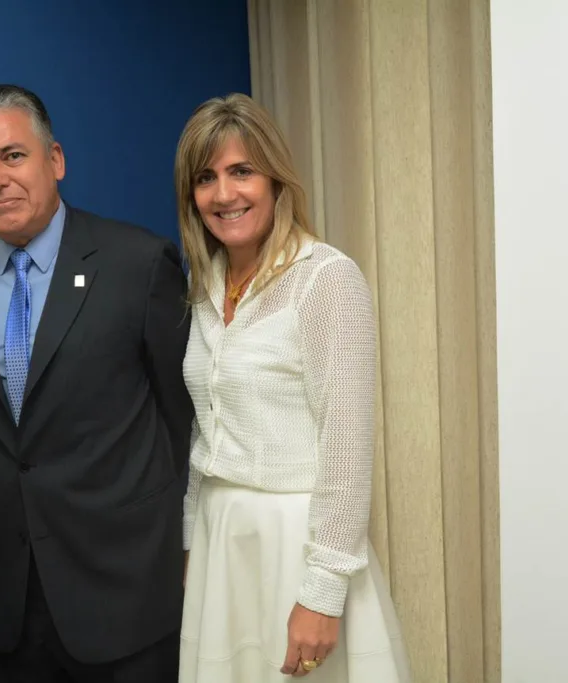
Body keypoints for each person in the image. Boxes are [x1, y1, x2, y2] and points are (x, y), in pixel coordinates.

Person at [0, 84, 193, 683]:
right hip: (10, 598)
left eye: (13, 155)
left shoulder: (138, 264)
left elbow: (182, 416)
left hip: (125, 593)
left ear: (56, 160)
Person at [174, 93, 412, 682]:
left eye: (241, 172)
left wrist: (323, 592)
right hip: (219, 540)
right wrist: (188, 542)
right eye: (206, 178)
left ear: (276, 179)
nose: (224, 194)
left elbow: (347, 451)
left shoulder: (327, 278)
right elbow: (207, 428)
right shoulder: (204, 284)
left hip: (296, 545)